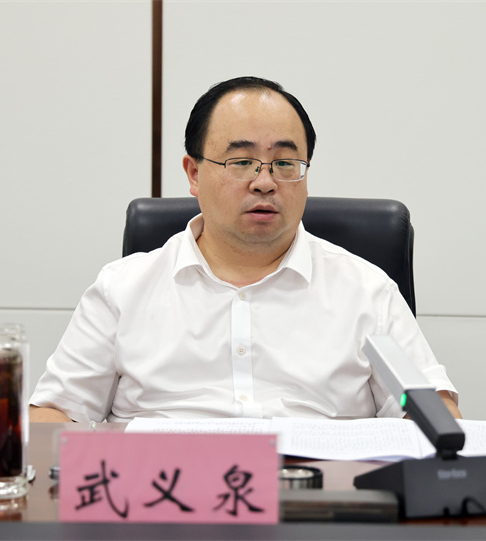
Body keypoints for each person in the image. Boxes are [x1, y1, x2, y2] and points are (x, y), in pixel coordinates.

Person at [29, 76, 460, 422]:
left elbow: (433, 412)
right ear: (193, 173)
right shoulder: (122, 290)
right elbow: (54, 413)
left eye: (285, 163)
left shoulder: (367, 291)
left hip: (317, 496)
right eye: (242, 162)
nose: (265, 182)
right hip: (165, 497)